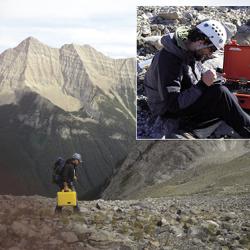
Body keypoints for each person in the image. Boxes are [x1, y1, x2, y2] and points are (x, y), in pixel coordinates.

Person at [144, 20, 250, 138]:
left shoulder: (189, 49)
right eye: (212, 49)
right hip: (168, 110)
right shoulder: (169, 60)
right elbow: (173, 105)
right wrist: (203, 85)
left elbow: (196, 73)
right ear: (201, 42)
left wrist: (213, 78)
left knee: (229, 95)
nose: (210, 55)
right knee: (221, 94)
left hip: (183, 98)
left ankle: (196, 131)